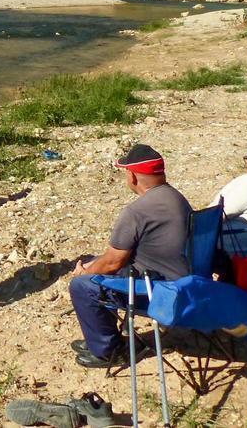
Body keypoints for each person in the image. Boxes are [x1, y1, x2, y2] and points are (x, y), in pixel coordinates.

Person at [67, 144, 190, 368]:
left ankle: (109, 350)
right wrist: (94, 264)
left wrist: (84, 273)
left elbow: (114, 261)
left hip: (159, 292)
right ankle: (101, 337)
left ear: (132, 177)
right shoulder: (177, 198)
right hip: (184, 282)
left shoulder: (137, 211)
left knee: (82, 286)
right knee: (96, 262)